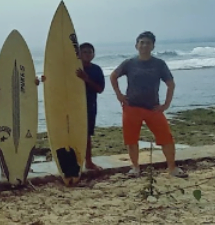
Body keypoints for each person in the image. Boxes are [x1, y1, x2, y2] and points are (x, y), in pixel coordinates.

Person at [109, 31, 187, 178]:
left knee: (166, 138)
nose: (144, 45)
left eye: (148, 43)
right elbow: (113, 76)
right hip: (131, 107)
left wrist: (166, 104)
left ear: (153, 46)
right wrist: (119, 95)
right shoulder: (129, 63)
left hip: (153, 108)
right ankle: (135, 168)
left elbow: (171, 84)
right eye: (142, 42)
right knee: (131, 139)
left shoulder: (159, 64)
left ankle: (172, 168)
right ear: (136, 45)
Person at [76, 42, 105, 171]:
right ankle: (73, 161)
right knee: (72, 133)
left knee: (86, 135)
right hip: (72, 105)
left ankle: (88, 162)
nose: (87, 54)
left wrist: (86, 79)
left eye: (90, 52)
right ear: (79, 54)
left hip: (89, 105)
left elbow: (100, 89)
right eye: (84, 52)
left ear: (93, 54)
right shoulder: (73, 68)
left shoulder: (96, 69)